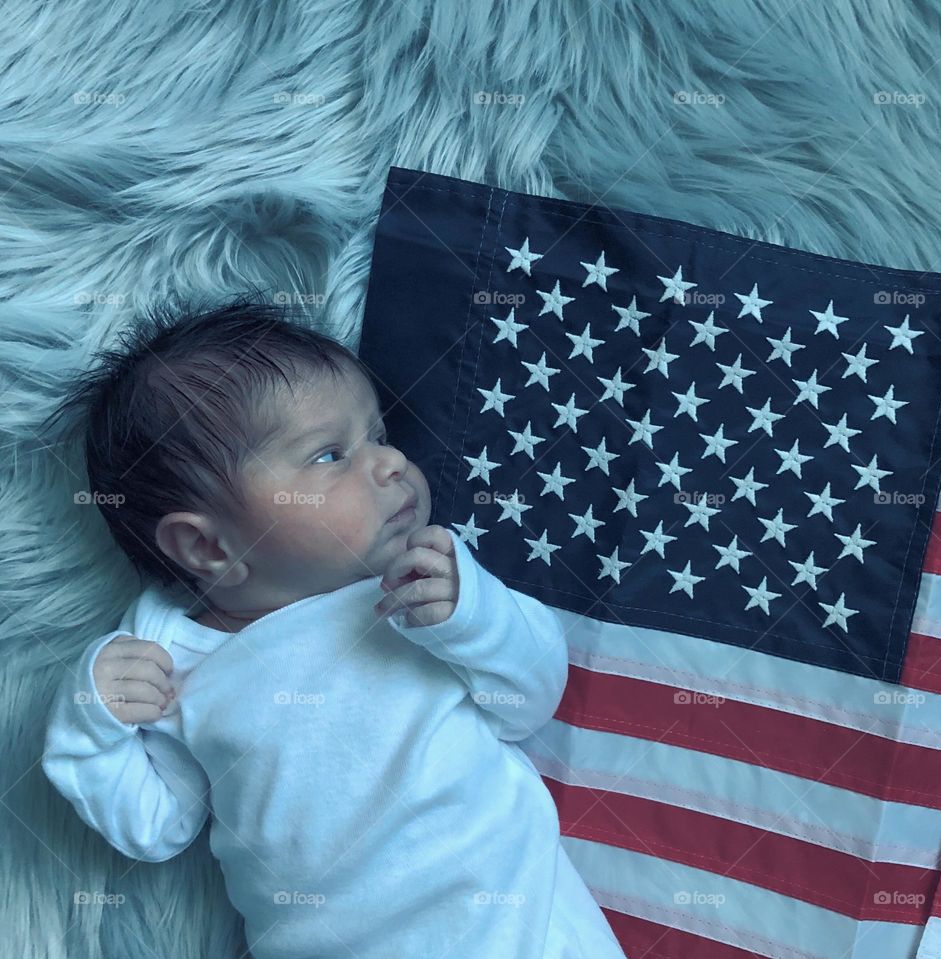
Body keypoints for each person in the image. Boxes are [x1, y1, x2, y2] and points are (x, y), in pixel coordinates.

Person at [40, 293, 628, 958]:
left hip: (520, 927)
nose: (390, 462)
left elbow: (529, 701)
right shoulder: (171, 659)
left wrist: (475, 618)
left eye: (378, 435)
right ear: (207, 547)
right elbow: (153, 826)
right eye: (329, 455)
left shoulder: (418, 587)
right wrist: (92, 726)